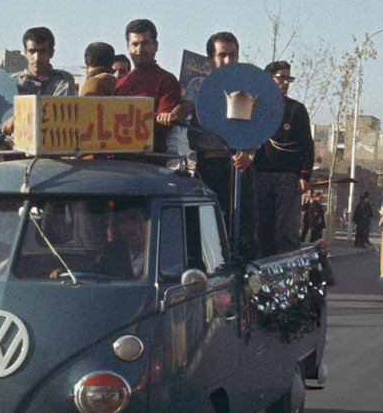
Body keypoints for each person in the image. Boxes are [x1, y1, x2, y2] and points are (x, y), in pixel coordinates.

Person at [180, 32, 257, 256]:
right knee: (206, 225)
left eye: (233, 55)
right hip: (208, 166)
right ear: (210, 59)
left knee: (244, 229)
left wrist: (249, 153)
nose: (228, 61)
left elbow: (259, 126)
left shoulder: (248, 87)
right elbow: (185, 108)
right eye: (222, 55)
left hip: (238, 165)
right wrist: (171, 112)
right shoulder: (198, 86)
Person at [253, 60, 314, 256]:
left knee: (286, 232)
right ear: (268, 79)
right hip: (260, 173)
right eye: (281, 78)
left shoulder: (296, 110)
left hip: (287, 177)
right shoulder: (255, 107)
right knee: (262, 230)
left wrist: (304, 175)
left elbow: (307, 146)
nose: (285, 82)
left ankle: (289, 276)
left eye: (289, 78)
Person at [113, 19, 185, 153]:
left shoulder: (167, 80)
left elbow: (164, 123)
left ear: (156, 46)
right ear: (128, 47)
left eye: (145, 43)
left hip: (150, 165)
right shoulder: (121, 83)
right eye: (135, 44)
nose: (139, 50)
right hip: (120, 163)